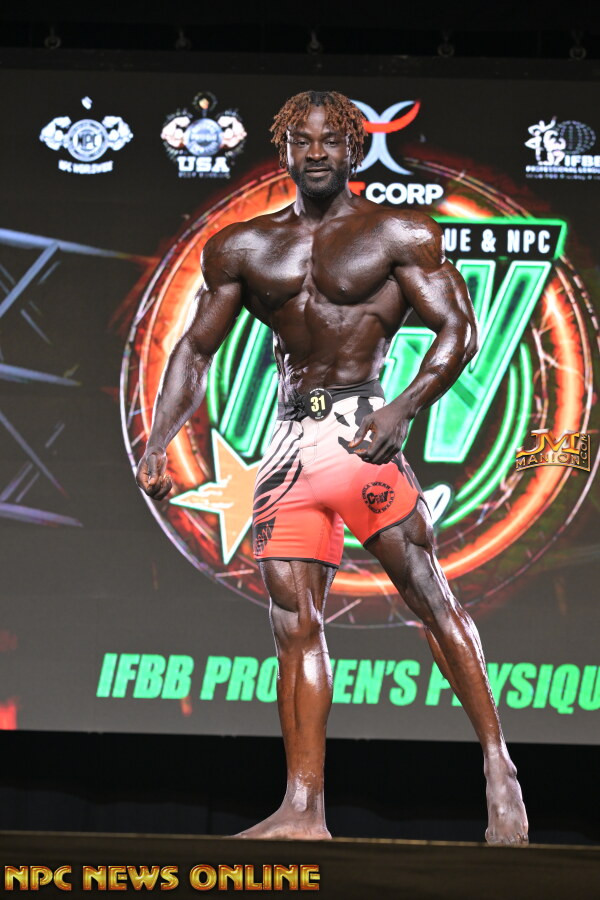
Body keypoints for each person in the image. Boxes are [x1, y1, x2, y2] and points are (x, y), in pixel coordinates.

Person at [135, 90, 528, 845]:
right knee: (294, 627)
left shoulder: (397, 232)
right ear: (283, 150)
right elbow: (195, 350)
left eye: (330, 140)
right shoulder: (243, 247)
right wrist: (159, 439)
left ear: (352, 148)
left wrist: (404, 406)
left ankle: (497, 766)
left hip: (362, 435)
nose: (316, 152)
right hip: (288, 448)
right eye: (301, 140)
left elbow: (459, 329)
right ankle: (303, 808)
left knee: (429, 595)